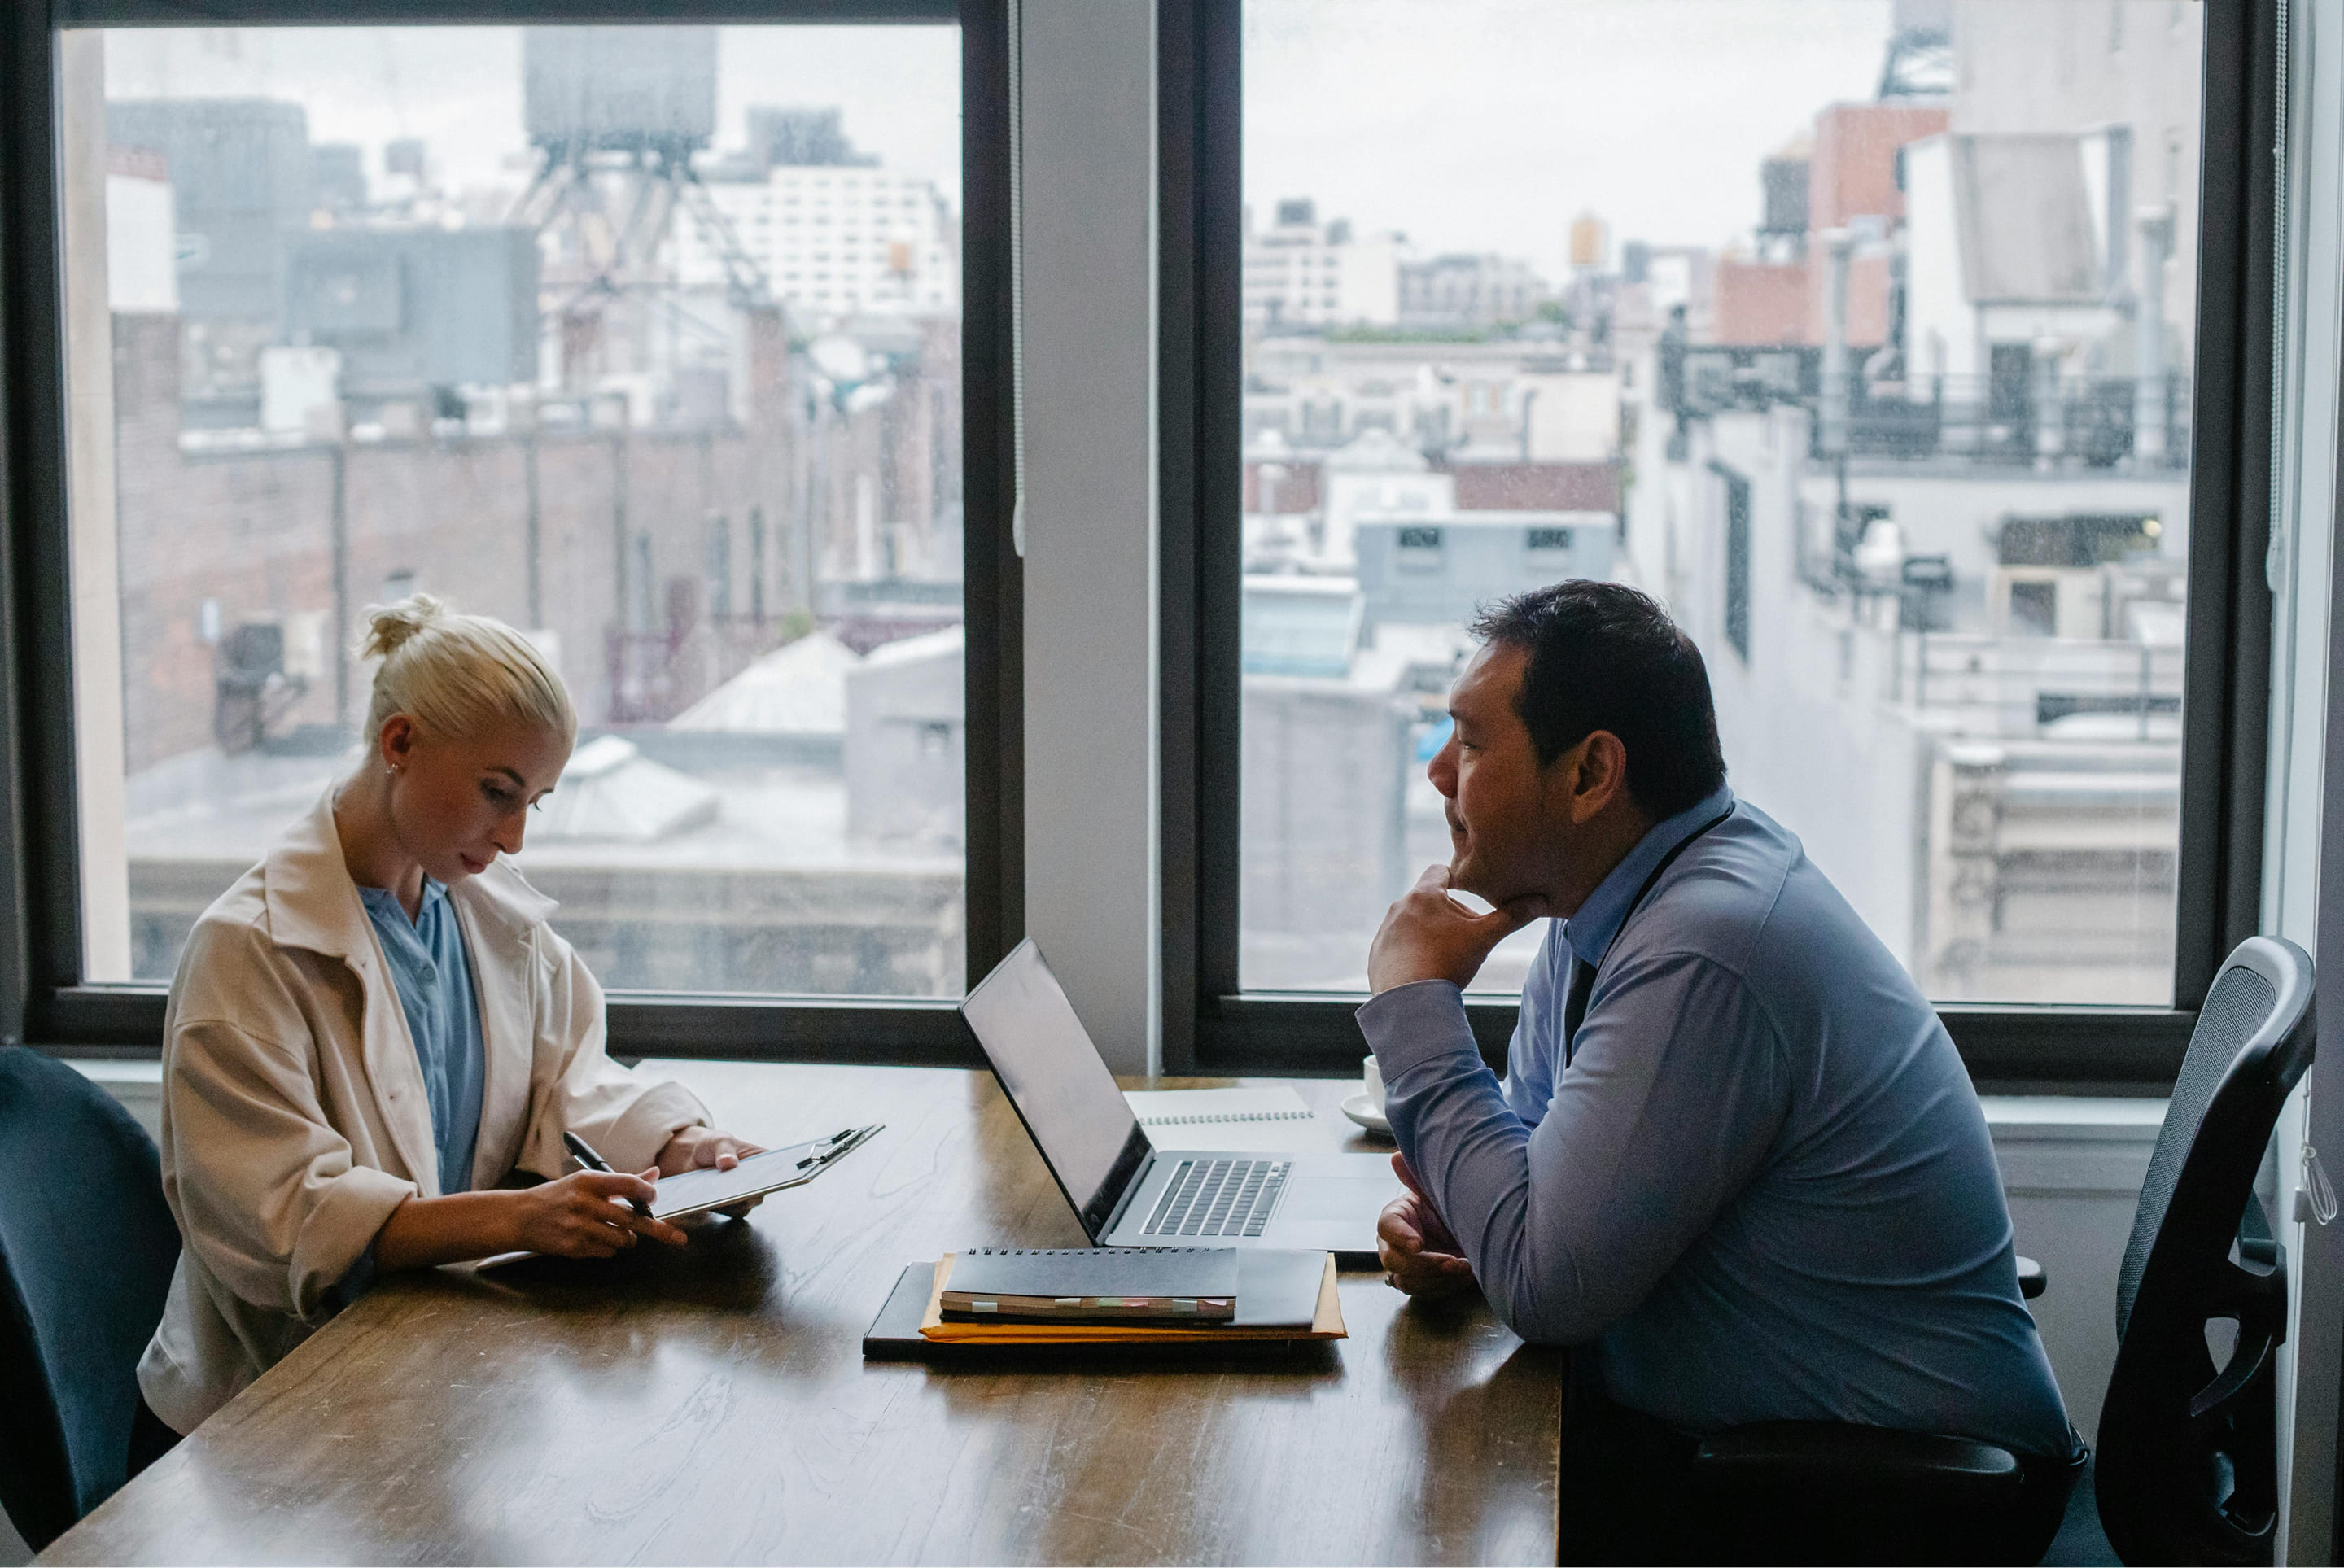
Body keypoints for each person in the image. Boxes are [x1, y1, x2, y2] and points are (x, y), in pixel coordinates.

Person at [1359, 580, 2080, 1560]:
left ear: (1590, 774)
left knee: (1407, 1520)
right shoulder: (1599, 908)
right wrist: (1466, 1219)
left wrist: (1414, 1004)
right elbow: (1535, 1187)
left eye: (1474, 744)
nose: (1440, 773)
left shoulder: (1708, 947)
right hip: (1759, 1457)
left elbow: (1545, 1287)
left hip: (1895, 1502)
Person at [133, 596, 763, 1467]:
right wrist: (515, 1218)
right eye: (496, 792)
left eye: (532, 804)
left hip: (422, 1387)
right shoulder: (247, 951)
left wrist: (681, 1145)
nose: (509, 839)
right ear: (399, 743)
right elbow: (289, 1221)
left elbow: (565, 1076)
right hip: (262, 1429)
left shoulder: (479, 911)